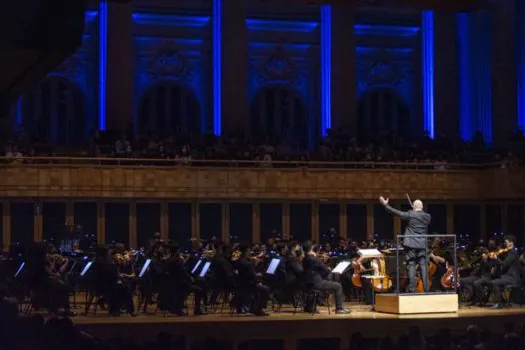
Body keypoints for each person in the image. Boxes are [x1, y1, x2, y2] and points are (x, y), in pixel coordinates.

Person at [379, 196, 431, 293]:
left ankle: (412, 289)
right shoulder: (427, 216)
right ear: (422, 207)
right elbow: (418, 216)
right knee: (423, 266)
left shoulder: (411, 214)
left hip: (411, 244)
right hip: (422, 245)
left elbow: (397, 213)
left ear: (414, 207)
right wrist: (414, 210)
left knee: (411, 265)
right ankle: (426, 288)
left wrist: (386, 205)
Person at [302, 241, 350, 314]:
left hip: (308, 282)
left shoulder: (305, 258)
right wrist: (323, 263)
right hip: (316, 283)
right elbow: (326, 270)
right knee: (338, 286)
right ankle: (339, 309)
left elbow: (316, 269)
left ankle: (309, 307)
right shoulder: (313, 259)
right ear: (311, 248)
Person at [489, 235, 520, 309]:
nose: (505, 244)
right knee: (491, 281)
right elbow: (503, 264)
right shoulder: (508, 252)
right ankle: (502, 301)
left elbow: (504, 264)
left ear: (511, 243)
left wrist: (496, 258)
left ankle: (499, 303)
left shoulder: (513, 253)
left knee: (494, 282)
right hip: (507, 276)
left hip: (512, 277)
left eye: (506, 242)